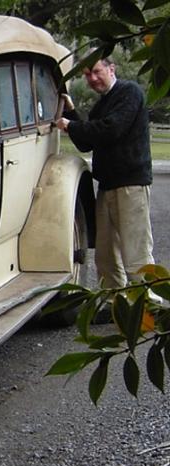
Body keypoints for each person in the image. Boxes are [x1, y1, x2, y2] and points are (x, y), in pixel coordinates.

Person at [55, 58, 154, 292]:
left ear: (112, 69)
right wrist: (71, 113)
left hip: (131, 184)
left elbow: (112, 129)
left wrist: (71, 125)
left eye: (97, 72)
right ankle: (113, 303)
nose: (92, 79)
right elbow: (86, 144)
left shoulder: (129, 92)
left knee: (136, 252)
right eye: (88, 75)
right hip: (107, 185)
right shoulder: (103, 104)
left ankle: (149, 306)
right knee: (106, 255)